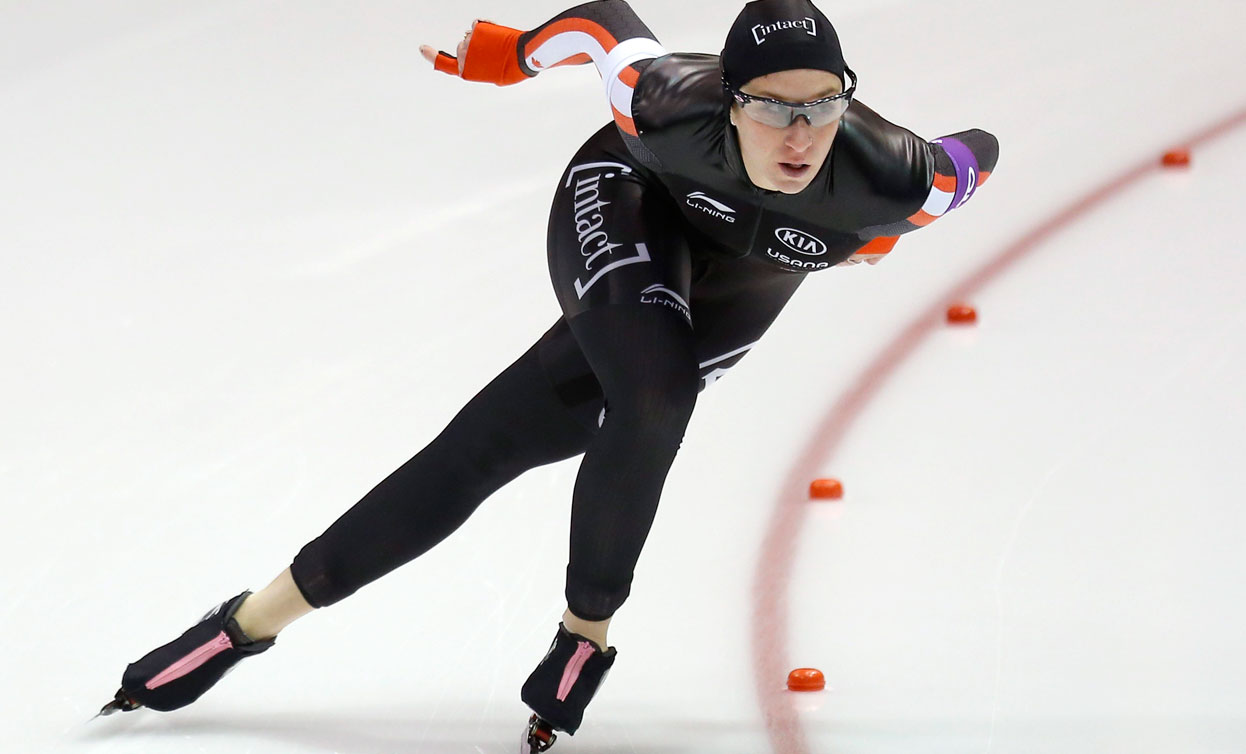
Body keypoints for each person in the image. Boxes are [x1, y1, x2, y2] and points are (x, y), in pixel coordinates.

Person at [102, 0, 998, 750]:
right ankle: (588, 634)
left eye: (820, 107)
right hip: (630, 202)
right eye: (771, 108)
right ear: (729, 102)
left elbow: (979, 152)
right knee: (654, 396)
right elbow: (602, 24)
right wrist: (510, 60)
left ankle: (246, 623)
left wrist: (885, 232)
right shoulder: (666, 101)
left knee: (493, 442)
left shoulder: (896, 178)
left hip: (748, 280)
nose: (798, 135)